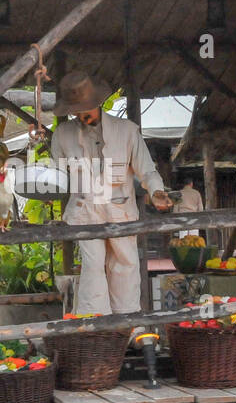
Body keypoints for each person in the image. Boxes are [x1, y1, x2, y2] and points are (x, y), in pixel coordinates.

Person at [50, 71, 172, 314]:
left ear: (98, 103)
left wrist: (157, 191)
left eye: (87, 109)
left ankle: (128, 330)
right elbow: (58, 176)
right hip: (84, 212)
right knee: (92, 267)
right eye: (77, 111)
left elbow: (146, 170)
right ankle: (97, 333)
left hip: (120, 211)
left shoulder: (126, 131)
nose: (83, 115)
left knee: (124, 267)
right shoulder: (62, 135)